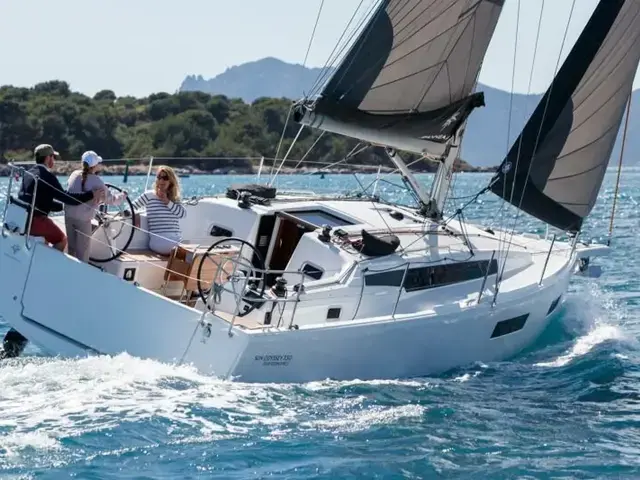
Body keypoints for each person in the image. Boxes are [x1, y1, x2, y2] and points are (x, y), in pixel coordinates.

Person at [17, 144, 103, 252]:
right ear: (48, 158)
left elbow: (40, 200)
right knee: (62, 240)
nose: (54, 160)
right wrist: (91, 194)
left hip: (21, 218)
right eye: (53, 157)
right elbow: (66, 197)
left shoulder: (28, 173)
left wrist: (63, 206)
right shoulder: (47, 176)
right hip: (35, 221)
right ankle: (49, 261)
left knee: (47, 236)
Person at [64, 150, 127, 262]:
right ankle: (81, 271)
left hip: (68, 216)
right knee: (82, 254)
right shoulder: (97, 182)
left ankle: (69, 268)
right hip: (83, 220)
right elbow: (112, 200)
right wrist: (123, 195)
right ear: (95, 166)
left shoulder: (74, 174)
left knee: (71, 249)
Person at [131, 166, 186, 255]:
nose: (161, 180)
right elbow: (131, 207)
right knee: (191, 253)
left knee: (190, 253)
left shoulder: (174, 198)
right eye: (159, 177)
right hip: (162, 243)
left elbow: (183, 214)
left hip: (172, 242)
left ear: (171, 181)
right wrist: (136, 213)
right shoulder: (149, 195)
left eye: (165, 178)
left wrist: (167, 201)